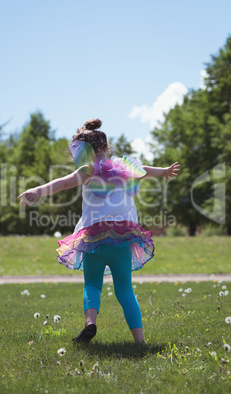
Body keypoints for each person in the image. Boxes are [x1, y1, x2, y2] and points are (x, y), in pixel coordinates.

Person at [18, 119, 180, 344]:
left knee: (92, 284)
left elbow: (63, 183)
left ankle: (90, 323)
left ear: (82, 151)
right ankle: (140, 342)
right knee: (125, 289)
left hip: (93, 239)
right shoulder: (123, 168)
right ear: (105, 147)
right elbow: (143, 172)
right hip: (122, 238)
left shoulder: (87, 171)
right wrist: (163, 171)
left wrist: (38, 189)